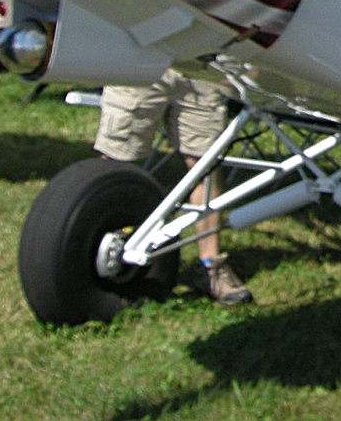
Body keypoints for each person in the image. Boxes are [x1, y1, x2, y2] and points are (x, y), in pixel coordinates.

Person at [94, 68, 253, 306]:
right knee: (117, 159)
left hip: (203, 66)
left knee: (205, 165)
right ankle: (95, 255)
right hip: (146, 57)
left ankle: (211, 267)